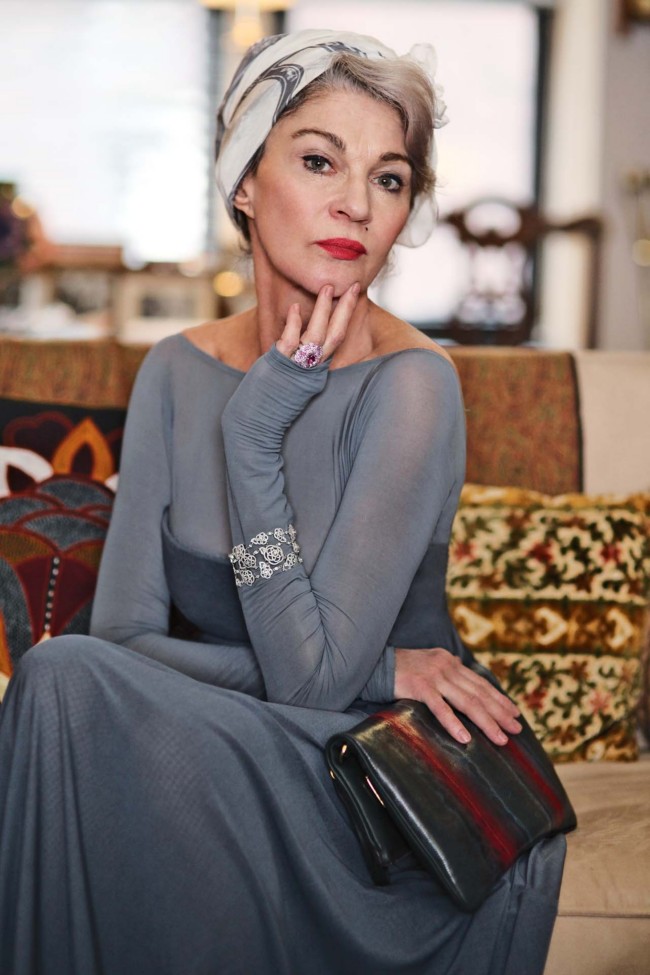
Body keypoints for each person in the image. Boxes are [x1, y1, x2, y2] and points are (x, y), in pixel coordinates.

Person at [0, 29, 566, 975]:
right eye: (319, 161)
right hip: (224, 748)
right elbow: (123, 639)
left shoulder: (413, 385)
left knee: (68, 685)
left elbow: (314, 689)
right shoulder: (174, 370)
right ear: (244, 183)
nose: (357, 203)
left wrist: (254, 436)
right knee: (63, 677)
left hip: (363, 787)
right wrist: (385, 664)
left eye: (389, 178)